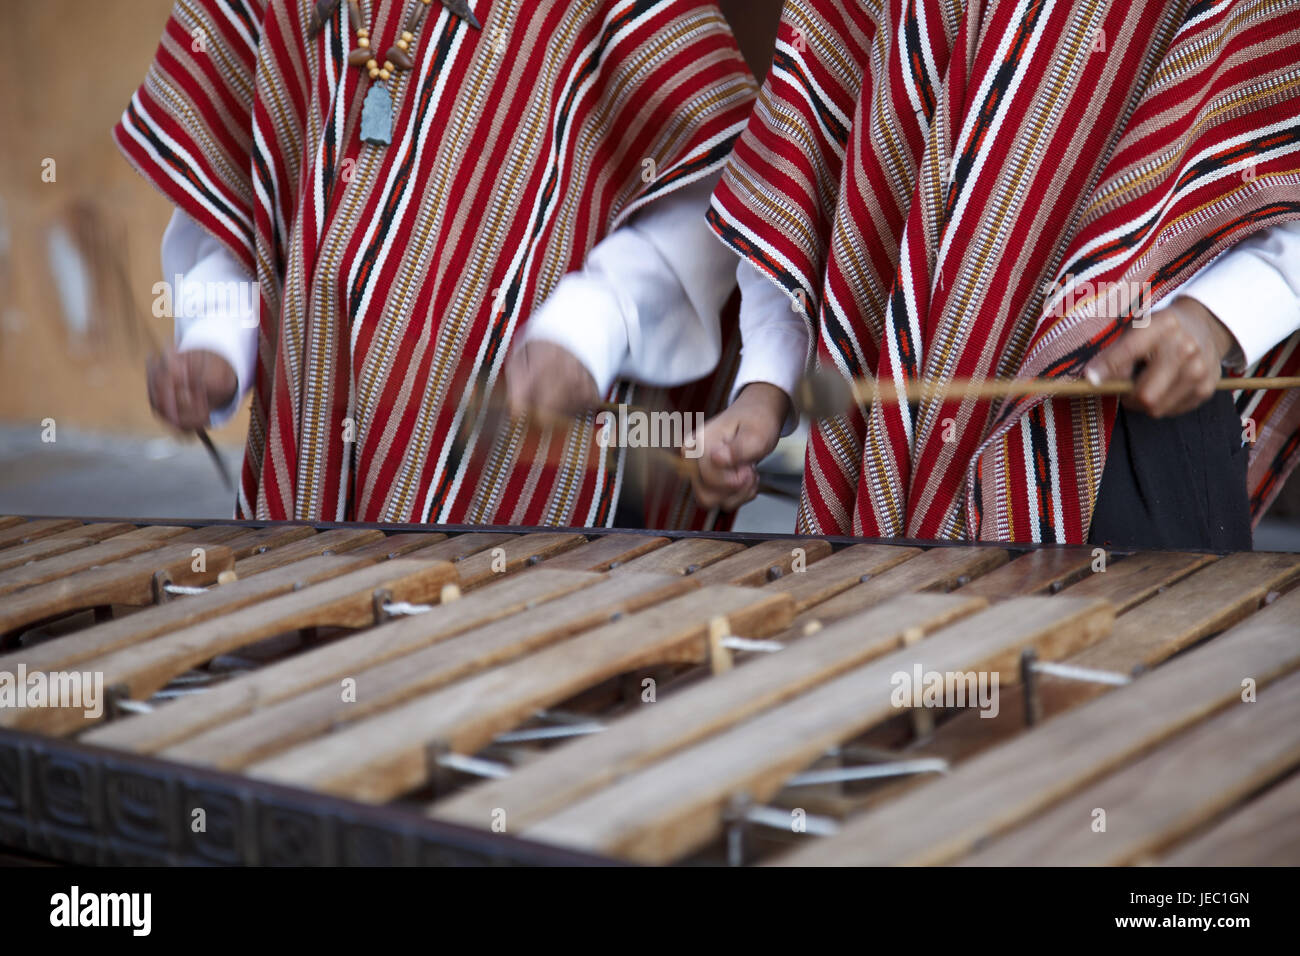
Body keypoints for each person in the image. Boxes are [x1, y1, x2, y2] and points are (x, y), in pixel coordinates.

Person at [131, 0, 764, 527]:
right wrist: (217, 333)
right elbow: (236, 179)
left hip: (515, 494)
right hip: (305, 456)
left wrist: (592, 323)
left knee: (492, 667)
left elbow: (711, 182)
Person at [693, 0, 1300, 549]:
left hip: (1125, 419)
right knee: (882, 662)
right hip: (880, 429)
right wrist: (768, 382)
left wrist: (1218, 316)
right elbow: (810, 134)